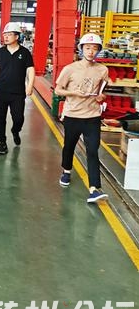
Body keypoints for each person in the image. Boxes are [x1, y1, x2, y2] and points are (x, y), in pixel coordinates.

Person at [55, 33, 109, 203]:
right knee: (69, 146)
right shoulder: (70, 69)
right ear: (81, 49)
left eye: (94, 48)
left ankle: (94, 189)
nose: (91, 51)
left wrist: (101, 97)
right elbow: (58, 90)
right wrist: (73, 93)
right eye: (87, 48)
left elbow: (102, 92)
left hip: (92, 116)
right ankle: (66, 171)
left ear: (98, 51)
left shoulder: (103, 70)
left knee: (92, 150)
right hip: (73, 115)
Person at [0, 22, 35, 155]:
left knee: (18, 118)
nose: (6, 37)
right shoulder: (0, 52)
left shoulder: (25, 53)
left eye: (9, 34)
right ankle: (2, 143)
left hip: (18, 92)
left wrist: (30, 85)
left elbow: (30, 70)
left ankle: (15, 131)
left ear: (17, 36)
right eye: (5, 35)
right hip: (2, 91)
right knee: (0, 118)